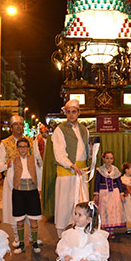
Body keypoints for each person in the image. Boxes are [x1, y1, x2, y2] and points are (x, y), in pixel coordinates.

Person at [0, 115, 35, 247]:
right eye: (15, 124)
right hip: (12, 182)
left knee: (32, 210)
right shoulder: (5, 143)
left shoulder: (31, 141)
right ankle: (18, 238)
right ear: (11, 128)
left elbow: (38, 160)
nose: (19, 127)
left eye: (21, 124)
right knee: (15, 210)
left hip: (29, 181)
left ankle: (32, 237)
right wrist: (8, 165)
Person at [52, 99, 90, 238]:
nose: (71, 115)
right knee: (64, 206)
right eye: (69, 112)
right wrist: (72, 165)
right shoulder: (60, 130)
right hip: (66, 173)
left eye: (74, 112)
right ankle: (62, 239)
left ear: (78, 113)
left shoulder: (84, 129)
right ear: (65, 113)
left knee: (82, 205)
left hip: (81, 174)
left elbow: (86, 152)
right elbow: (59, 154)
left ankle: (81, 237)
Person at [7, 138, 42, 254]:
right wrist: (16, 188)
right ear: (17, 149)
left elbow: (39, 174)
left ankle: (35, 242)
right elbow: (9, 178)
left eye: (25, 147)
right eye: (20, 147)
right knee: (20, 219)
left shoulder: (34, 160)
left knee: (33, 218)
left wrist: (39, 189)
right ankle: (21, 244)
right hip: (19, 192)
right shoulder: (13, 162)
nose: (23, 149)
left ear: (28, 148)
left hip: (32, 191)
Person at [94, 151, 125, 238]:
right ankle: (106, 229)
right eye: (107, 158)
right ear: (103, 159)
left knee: (113, 209)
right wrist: (96, 193)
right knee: (105, 209)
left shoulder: (115, 170)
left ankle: (111, 229)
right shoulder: (100, 170)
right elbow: (97, 182)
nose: (109, 160)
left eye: (111, 158)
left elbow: (119, 182)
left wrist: (121, 193)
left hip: (114, 193)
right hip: (104, 193)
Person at [33, 125, 49, 192]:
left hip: (48, 163)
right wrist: (39, 160)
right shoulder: (37, 140)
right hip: (40, 164)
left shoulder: (51, 139)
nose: (44, 133)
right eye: (43, 132)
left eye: (45, 132)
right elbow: (35, 151)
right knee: (40, 181)